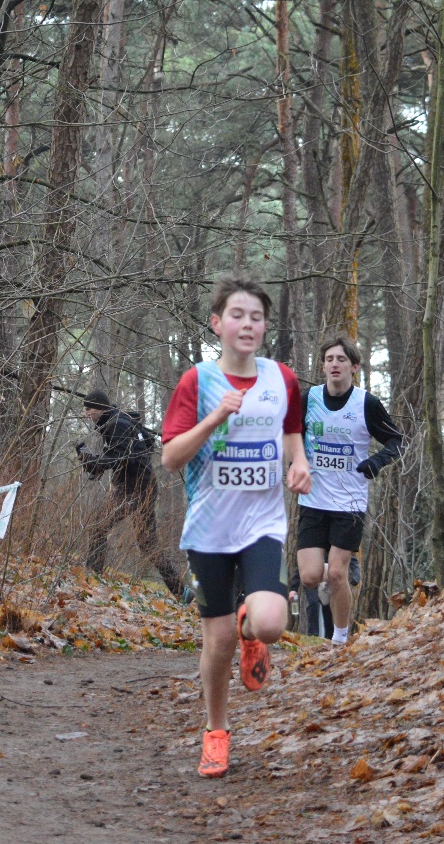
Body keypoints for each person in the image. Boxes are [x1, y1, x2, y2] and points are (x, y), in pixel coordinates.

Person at [160, 274, 311, 778]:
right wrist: (213, 420)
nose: (248, 325)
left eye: (257, 317)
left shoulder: (281, 378)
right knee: (218, 642)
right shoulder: (197, 382)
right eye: (238, 316)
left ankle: (254, 626)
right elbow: (170, 459)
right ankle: (216, 732)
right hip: (208, 530)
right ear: (217, 324)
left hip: (263, 523)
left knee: (271, 621)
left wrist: (299, 462)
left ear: (265, 327)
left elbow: (291, 428)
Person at [297, 336, 403, 646]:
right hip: (313, 499)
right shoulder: (309, 399)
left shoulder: (366, 403)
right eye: (329, 359)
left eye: (341, 359)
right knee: (309, 577)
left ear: (354, 367)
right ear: (323, 365)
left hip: (349, 502)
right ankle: (329, 569)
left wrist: (376, 462)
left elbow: (398, 441)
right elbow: (289, 435)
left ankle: (340, 640)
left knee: (338, 576)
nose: (334, 364)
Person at [76, 390, 188, 600]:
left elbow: (120, 459)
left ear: (100, 408)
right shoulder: (117, 421)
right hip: (139, 487)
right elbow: (129, 451)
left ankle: (92, 580)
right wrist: (94, 462)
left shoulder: (117, 424)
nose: (85, 413)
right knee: (148, 544)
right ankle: (183, 593)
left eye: (88, 409)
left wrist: (91, 460)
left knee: (98, 525)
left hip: (134, 489)